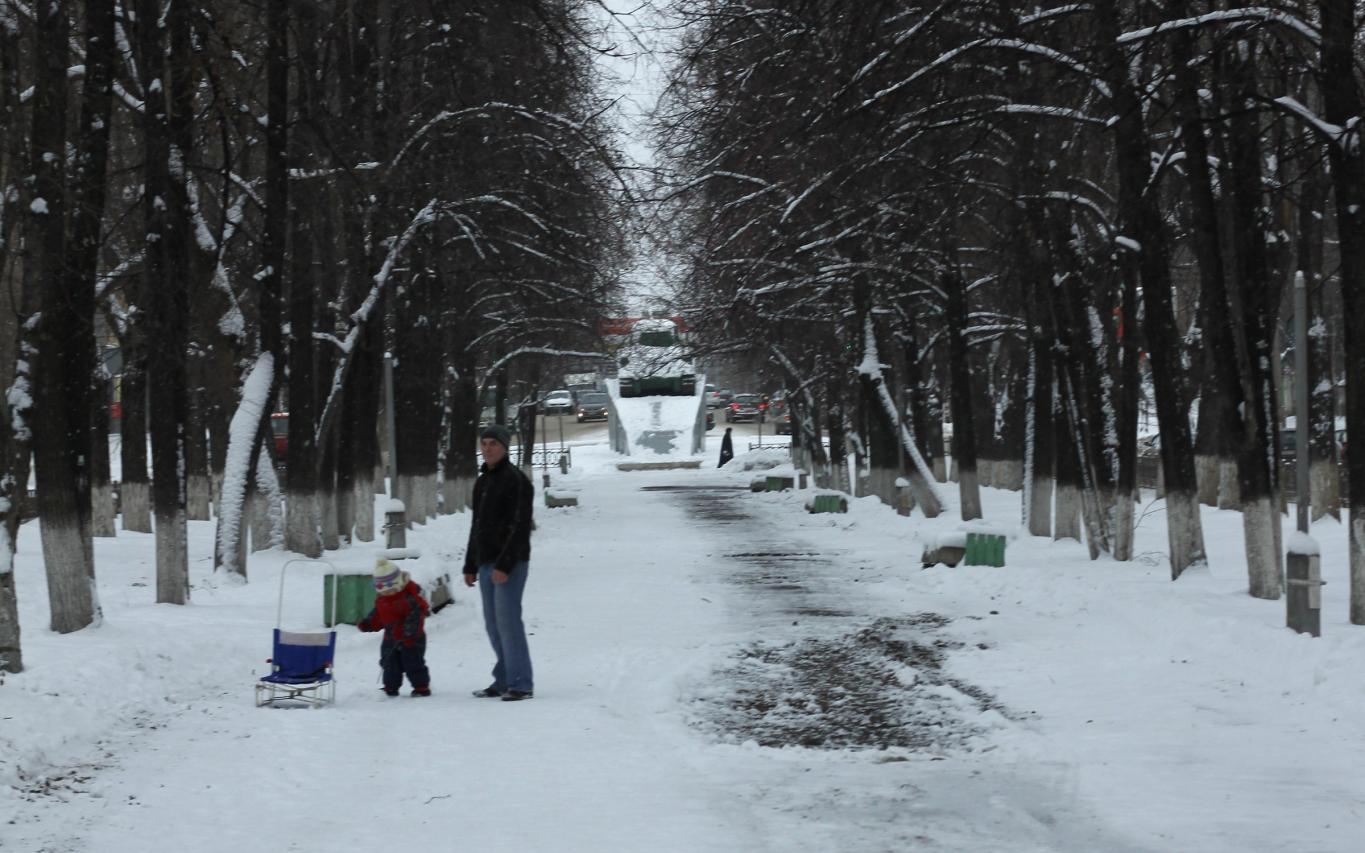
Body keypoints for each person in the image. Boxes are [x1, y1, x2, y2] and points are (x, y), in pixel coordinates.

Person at [462, 424, 536, 701]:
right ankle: (504, 678)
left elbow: (520, 526)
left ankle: (521, 683)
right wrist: (470, 565)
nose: (488, 448)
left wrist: (505, 565)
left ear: (505, 447)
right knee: (493, 624)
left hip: (510, 563)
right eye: (484, 443)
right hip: (485, 562)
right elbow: (476, 526)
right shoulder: (482, 482)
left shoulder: (515, 480)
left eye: (493, 443)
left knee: (508, 623)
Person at [358, 558, 431, 697]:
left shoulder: (409, 597)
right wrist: (368, 623)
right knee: (389, 663)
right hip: (390, 637)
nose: (388, 593)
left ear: (398, 584)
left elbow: (416, 614)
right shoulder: (382, 600)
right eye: (384, 591)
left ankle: (421, 687)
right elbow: (378, 615)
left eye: (391, 590)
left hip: (412, 639)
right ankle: (390, 687)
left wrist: (409, 632)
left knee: (413, 663)